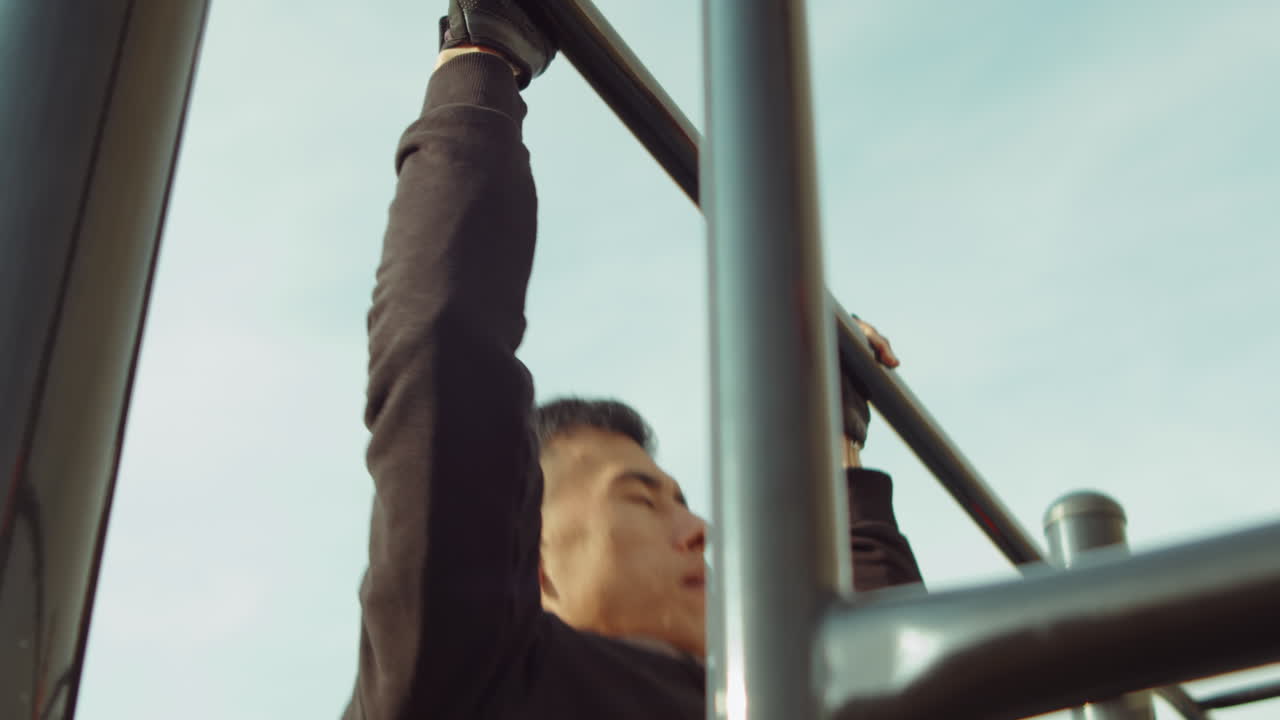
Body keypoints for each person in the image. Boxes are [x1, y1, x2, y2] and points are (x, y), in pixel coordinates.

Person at [343, 2, 921, 717]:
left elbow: (886, 677)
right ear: (533, 563)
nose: (701, 532)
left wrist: (836, 433)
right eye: (641, 500)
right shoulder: (485, 678)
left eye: (677, 501)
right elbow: (446, 368)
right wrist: (482, 60)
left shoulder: (765, 700)